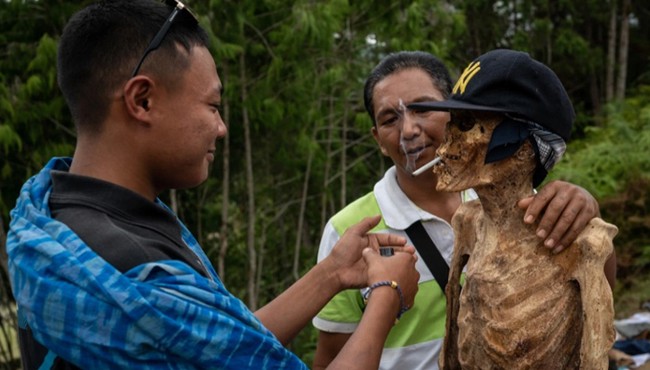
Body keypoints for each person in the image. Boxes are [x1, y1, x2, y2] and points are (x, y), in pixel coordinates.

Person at [5, 1, 420, 369]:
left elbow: (216, 349)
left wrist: (332, 273)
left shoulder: (58, 218)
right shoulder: (131, 264)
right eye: (213, 106)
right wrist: (386, 295)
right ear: (142, 101)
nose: (221, 129)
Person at [311, 51, 617, 370]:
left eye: (424, 109)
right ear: (377, 138)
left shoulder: (531, 208)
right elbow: (330, 357)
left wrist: (586, 212)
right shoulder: (348, 233)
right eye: (390, 119)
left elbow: (596, 299)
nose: (409, 130)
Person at [409, 49, 616, 369]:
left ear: (522, 149)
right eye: (451, 125)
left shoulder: (580, 239)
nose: (445, 147)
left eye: (466, 126)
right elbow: (453, 339)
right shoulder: (467, 221)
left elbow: (595, 351)